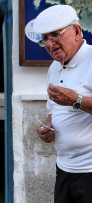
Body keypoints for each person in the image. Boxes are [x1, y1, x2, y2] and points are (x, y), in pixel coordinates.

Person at [34, 5, 92, 203]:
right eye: (44, 39)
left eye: (55, 35)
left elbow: (72, 101)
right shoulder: (54, 67)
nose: (50, 44)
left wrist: (76, 100)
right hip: (65, 169)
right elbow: (55, 109)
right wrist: (48, 126)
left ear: (76, 31)